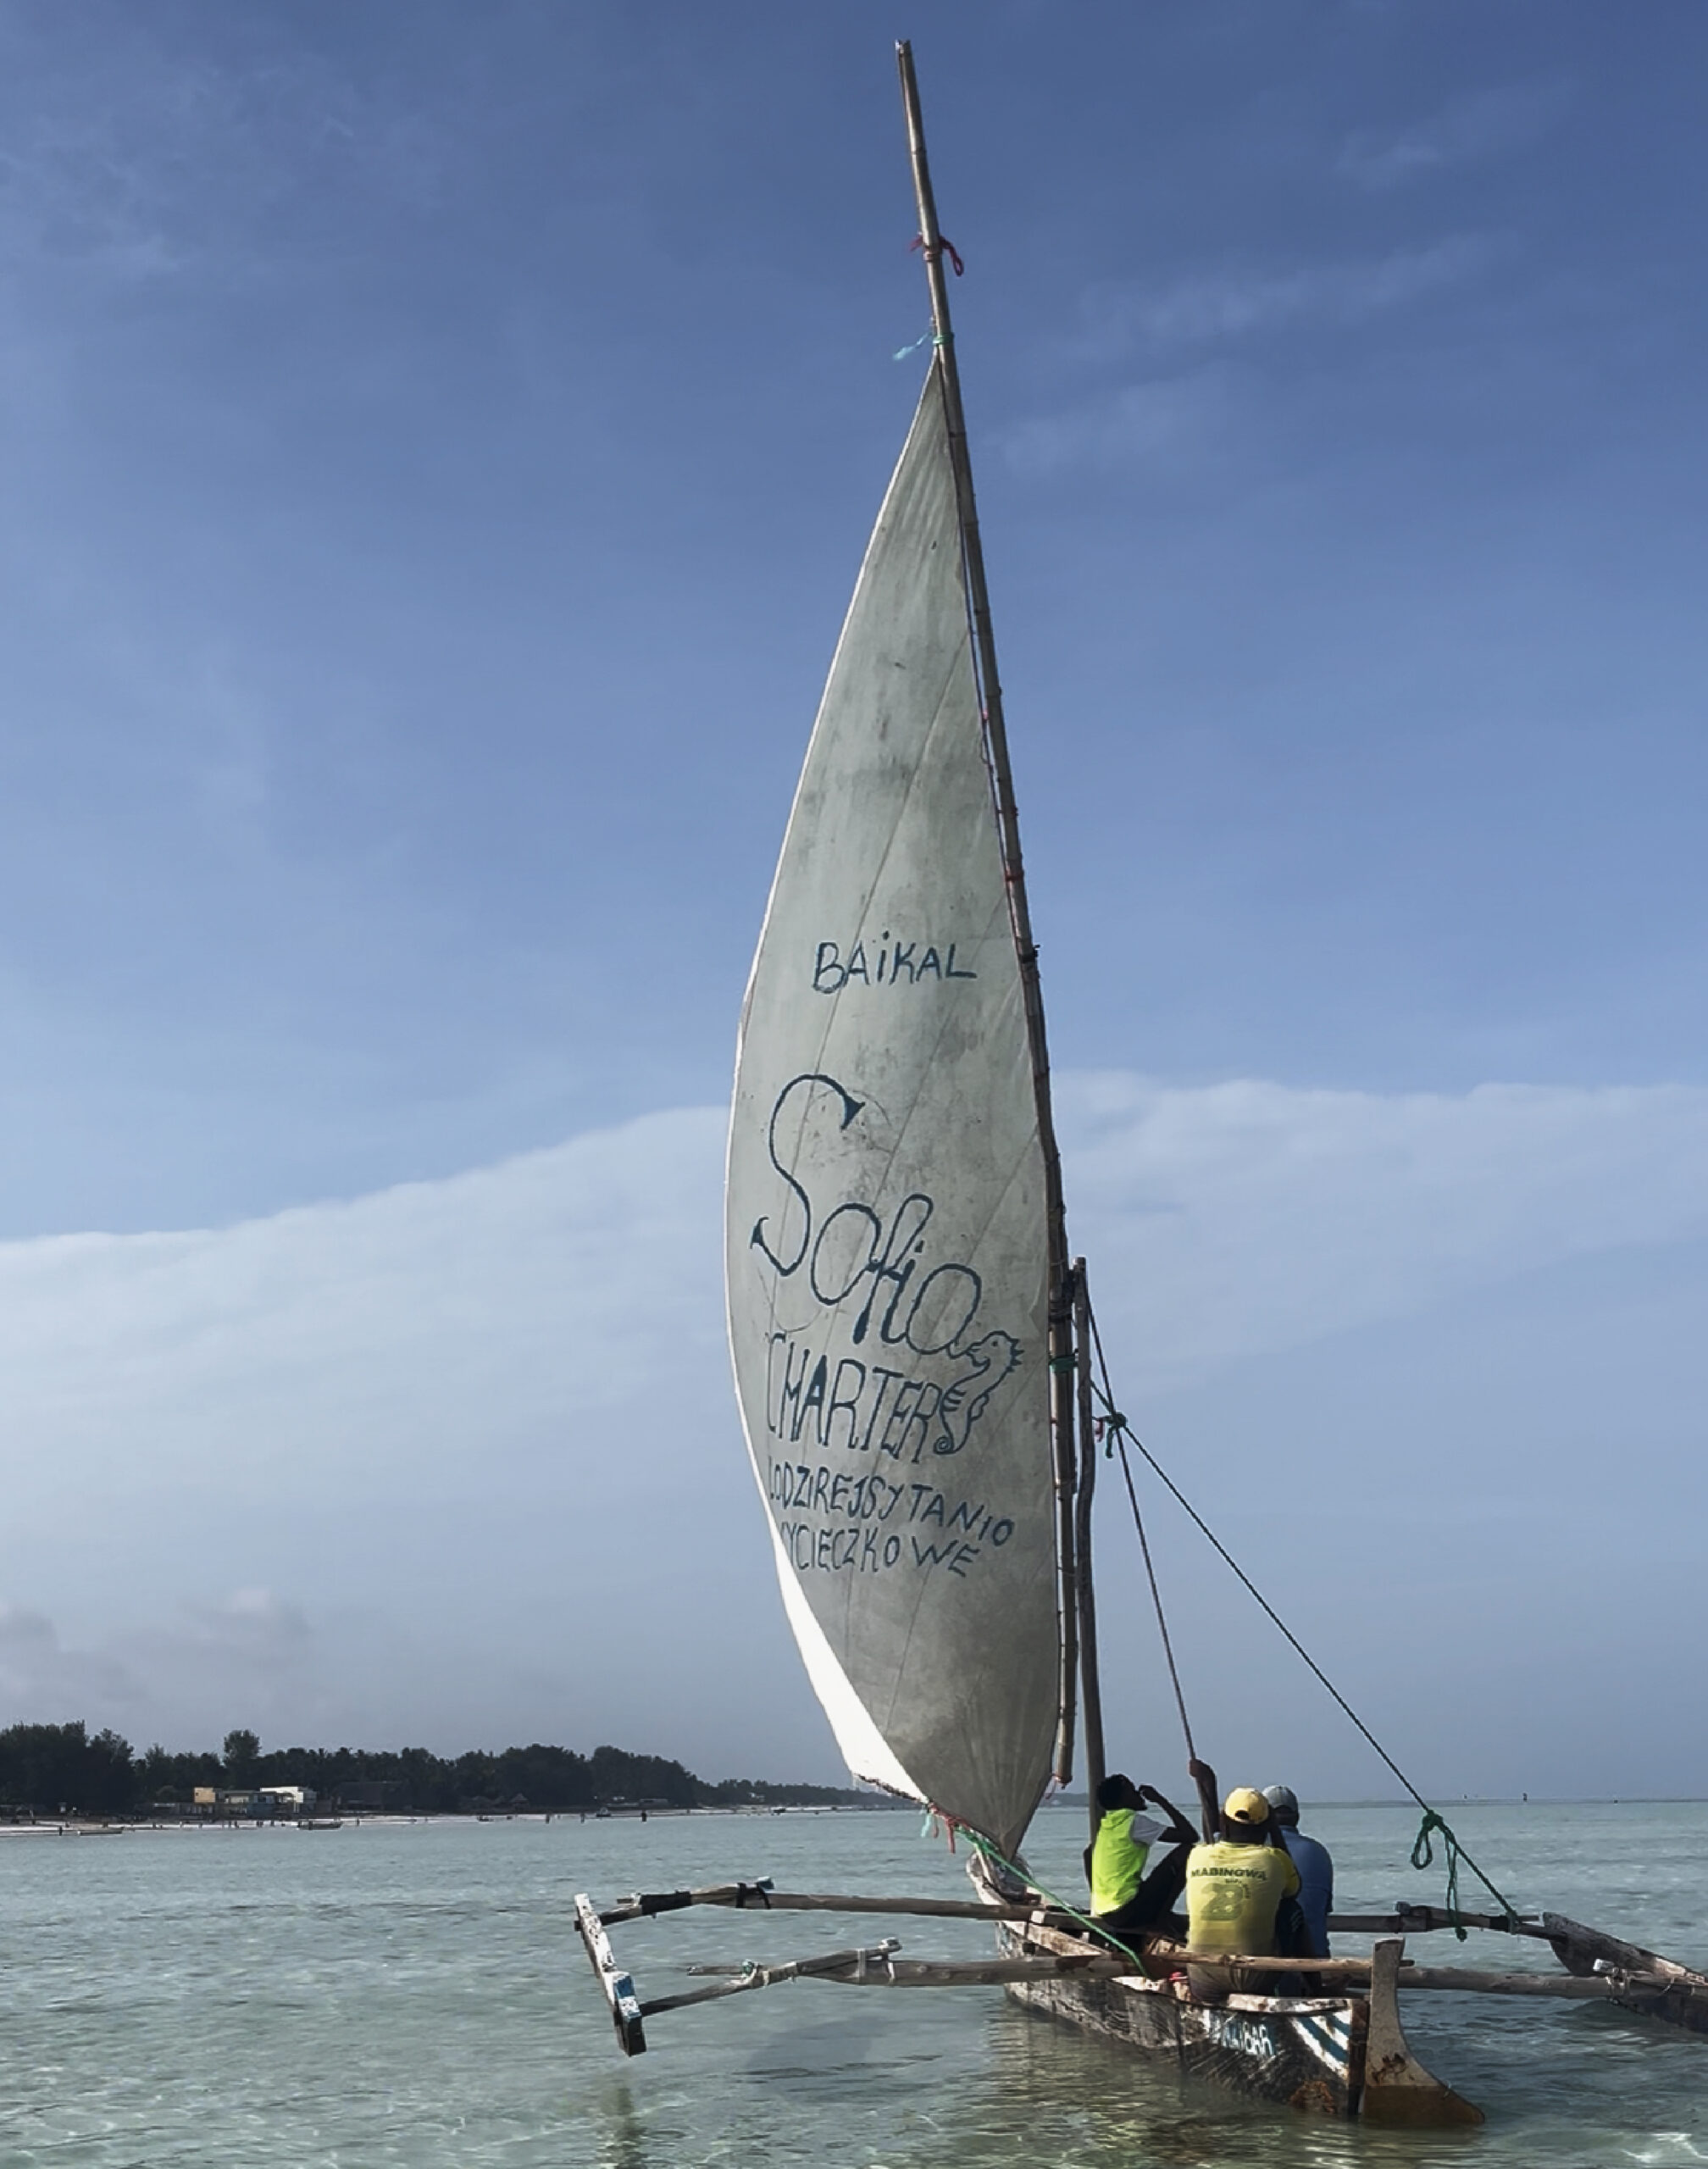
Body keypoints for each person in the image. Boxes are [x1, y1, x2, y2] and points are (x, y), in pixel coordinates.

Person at [1184, 1787, 1300, 2000]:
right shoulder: (1274, 1858)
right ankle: (1310, 1983)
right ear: (1266, 1825)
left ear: (1223, 1821)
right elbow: (1294, 1891)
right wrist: (1274, 1830)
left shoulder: (1197, 1855)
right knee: (1292, 1910)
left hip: (1202, 1973)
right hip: (1254, 1977)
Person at [1085, 1774, 1200, 1944]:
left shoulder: (1108, 1823)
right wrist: (1160, 1800)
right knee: (1188, 1851)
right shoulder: (1133, 1822)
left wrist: (1098, 1894)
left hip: (1106, 1912)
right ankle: (1161, 1919)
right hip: (1127, 1911)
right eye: (1133, 1791)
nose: (1139, 1795)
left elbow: (1087, 1855)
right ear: (1123, 1799)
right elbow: (1190, 1836)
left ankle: (1160, 1916)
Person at [1262, 1783, 1333, 1959]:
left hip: (1267, 1964)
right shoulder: (1318, 1851)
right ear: (1297, 1818)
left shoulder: (1256, 1853)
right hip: (1316, 1958)